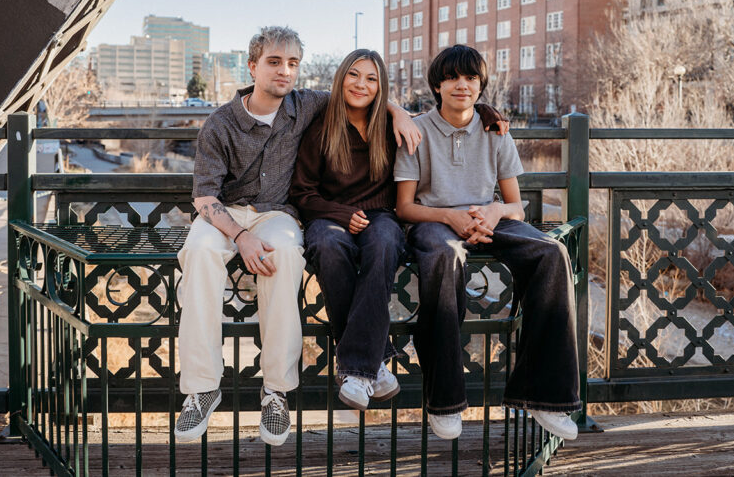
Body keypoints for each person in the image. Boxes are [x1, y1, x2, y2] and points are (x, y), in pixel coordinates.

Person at [174, 27, 420, 446]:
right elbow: (204, 196)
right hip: (224, 216)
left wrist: (399, 112)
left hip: (277, 215)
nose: (285, 72)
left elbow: (362, 93)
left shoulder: (305, 105)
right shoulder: (219, 124)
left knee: (287, 252)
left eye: (292, 64)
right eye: (274, 62)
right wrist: (240, 237)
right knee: (197, 252)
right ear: (252, 66)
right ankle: (201, 389)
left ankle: (276, 390)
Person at [291, 49, 510, 412]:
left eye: (372, 79)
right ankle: (368, 365)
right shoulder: (321, 127)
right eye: (354, 75)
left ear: (382, 88)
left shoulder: (390, 126)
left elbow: (445, 117)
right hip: (328, 216)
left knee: (385, 244)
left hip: (381, 215)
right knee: (329, 246)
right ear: (340, 78)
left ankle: (358, 367)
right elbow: (301, 192)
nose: (362, 84)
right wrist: (340, 214)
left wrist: (484, 111)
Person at [394, 44, 580, 442]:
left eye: (472, 78)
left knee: (552, 253)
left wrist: (493, 213)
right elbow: (405, 208)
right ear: (438, 85)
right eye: (453, 78)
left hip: (487, 218)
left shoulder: (496, 131)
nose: (463, 85)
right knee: (445, 256)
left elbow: (516, 205)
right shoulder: (417, 131)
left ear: (481, 86)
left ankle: (544, 397)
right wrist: (450, 216)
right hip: (434, 223)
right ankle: (444, 401)